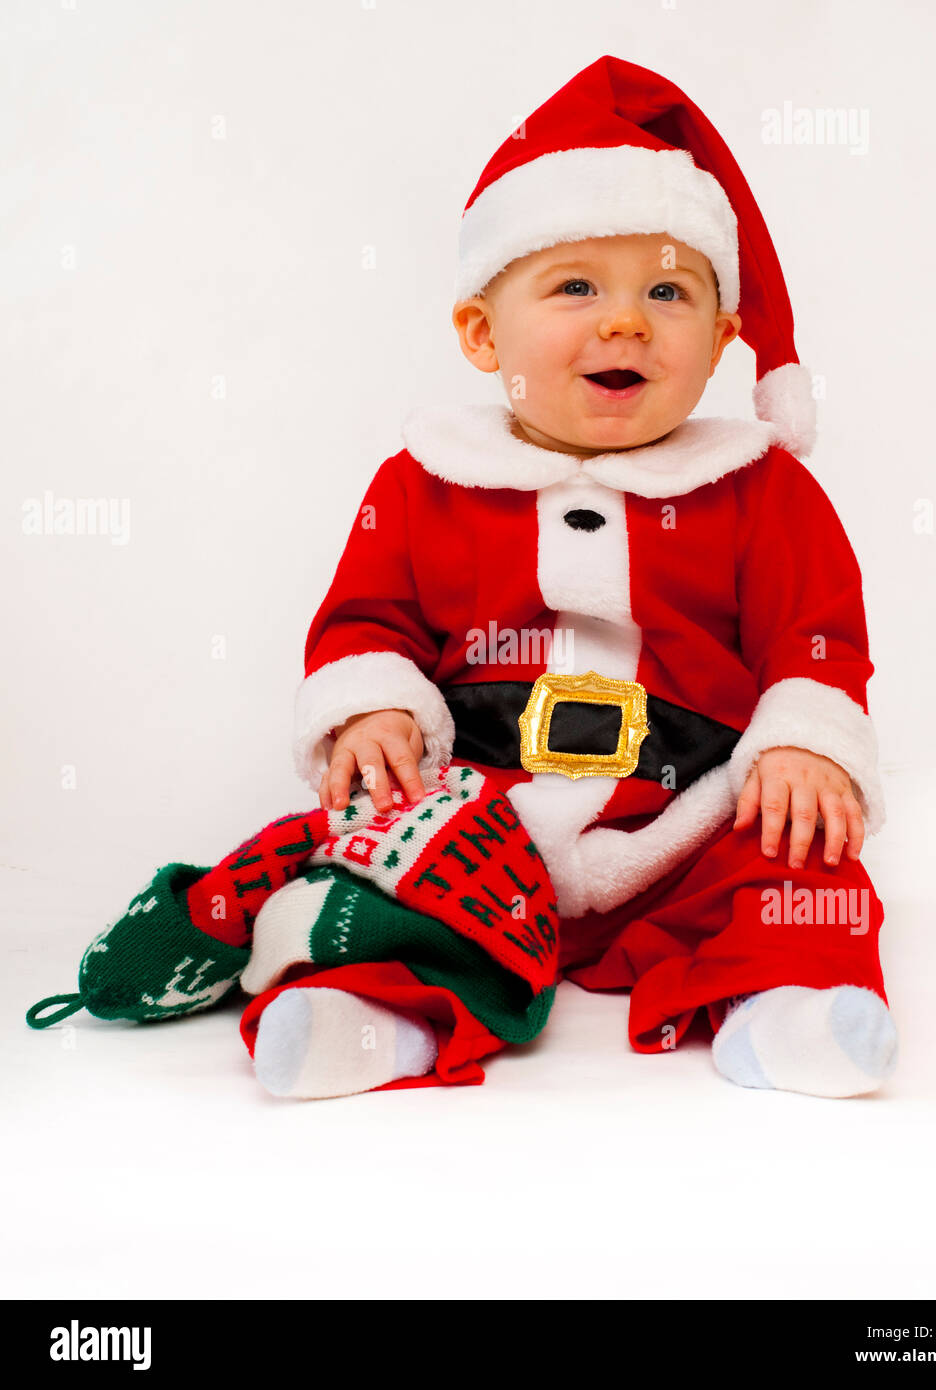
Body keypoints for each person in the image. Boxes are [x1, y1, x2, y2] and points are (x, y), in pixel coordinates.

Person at [244, 54, 897, 1102]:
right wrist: (371, 707)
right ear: (478, 333)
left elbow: (814, 639)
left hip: (691, 821)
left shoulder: (756, 490)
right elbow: (365, 622)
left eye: (668, 291)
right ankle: (374, 1020)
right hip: (484, 818)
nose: (625, 321)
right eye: (575, 286)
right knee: (386, 872)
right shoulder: (424, 483)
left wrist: (803, 746)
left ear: (723, 339)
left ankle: (782, 1006)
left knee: (798, 868)